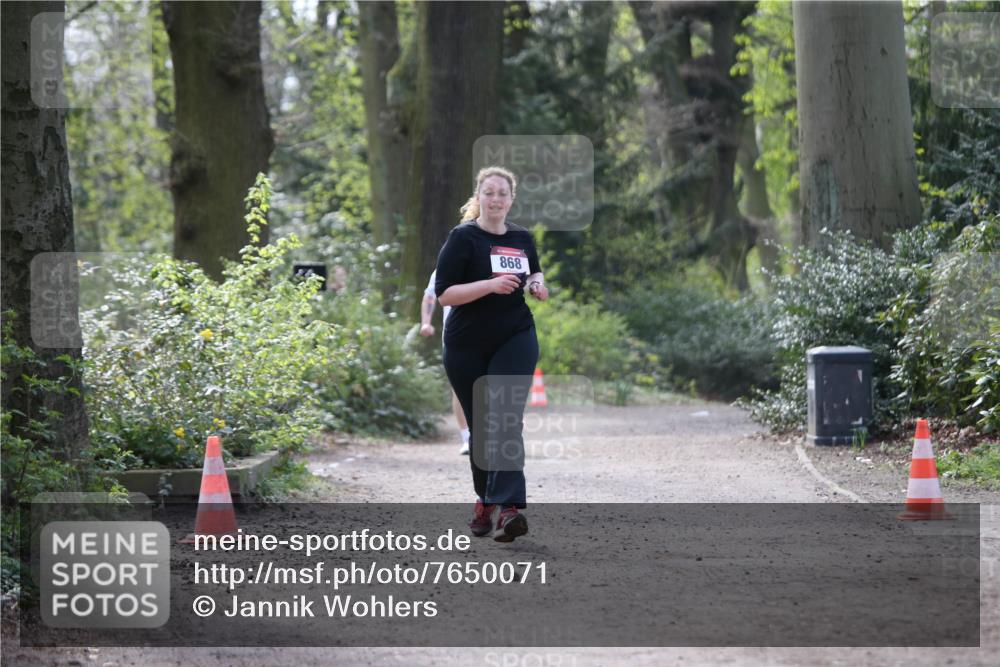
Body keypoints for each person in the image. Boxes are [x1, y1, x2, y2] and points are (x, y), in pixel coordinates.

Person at [435, 166, 548, 543]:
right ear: (478, 197)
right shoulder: (462, 238)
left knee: (504, 416)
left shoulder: (521, 237)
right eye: (489, 192)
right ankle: (485, 500)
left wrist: (536, 283)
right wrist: (489, 285)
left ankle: (510, 508)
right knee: (482, 429)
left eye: (503, 193)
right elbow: (445, 294)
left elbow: (534, 272)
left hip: (515, 335)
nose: (496, 199)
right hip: (466, 344)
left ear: (511, 199)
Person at [420, 269, 471, 455]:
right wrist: (425, 322)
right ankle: (467, 438)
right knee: (459, 388)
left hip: (488, 334)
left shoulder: (486, 259)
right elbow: (430, 296)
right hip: (456, 335)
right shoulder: (445, 265)